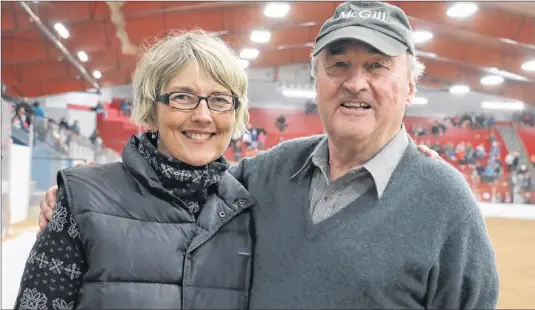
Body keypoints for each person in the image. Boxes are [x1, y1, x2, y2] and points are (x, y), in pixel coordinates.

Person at [37, 2, 491, 309]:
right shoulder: (266, 174)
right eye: (338, 64)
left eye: (377, 65)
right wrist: (85, 193)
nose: (355, 82)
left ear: (411, 85)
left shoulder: (444, 200)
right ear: (316, 79)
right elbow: (177, 178)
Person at [17, 30, 254, 309]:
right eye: (182, 97)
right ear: (152, 108)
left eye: (220, 100)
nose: (203, 115)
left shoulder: (249, 208)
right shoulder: (82, 198)